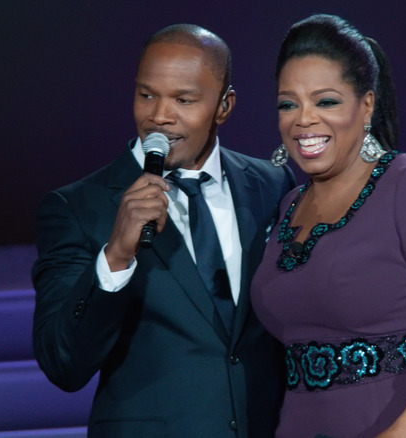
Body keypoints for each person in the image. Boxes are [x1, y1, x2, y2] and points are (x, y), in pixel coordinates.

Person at [31, 24, 295, 437]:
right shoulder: (78, 207)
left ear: (224, 106)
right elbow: (62, 364)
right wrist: (115, 256)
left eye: (183, 99)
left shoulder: (271, 184)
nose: (158, 117)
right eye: (146, 94)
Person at [250, 14, 406, 438]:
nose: (303, 119)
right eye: (288, 103)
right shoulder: (288, 207)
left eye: (325, 101)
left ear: (366, 105)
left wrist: (405, 430)